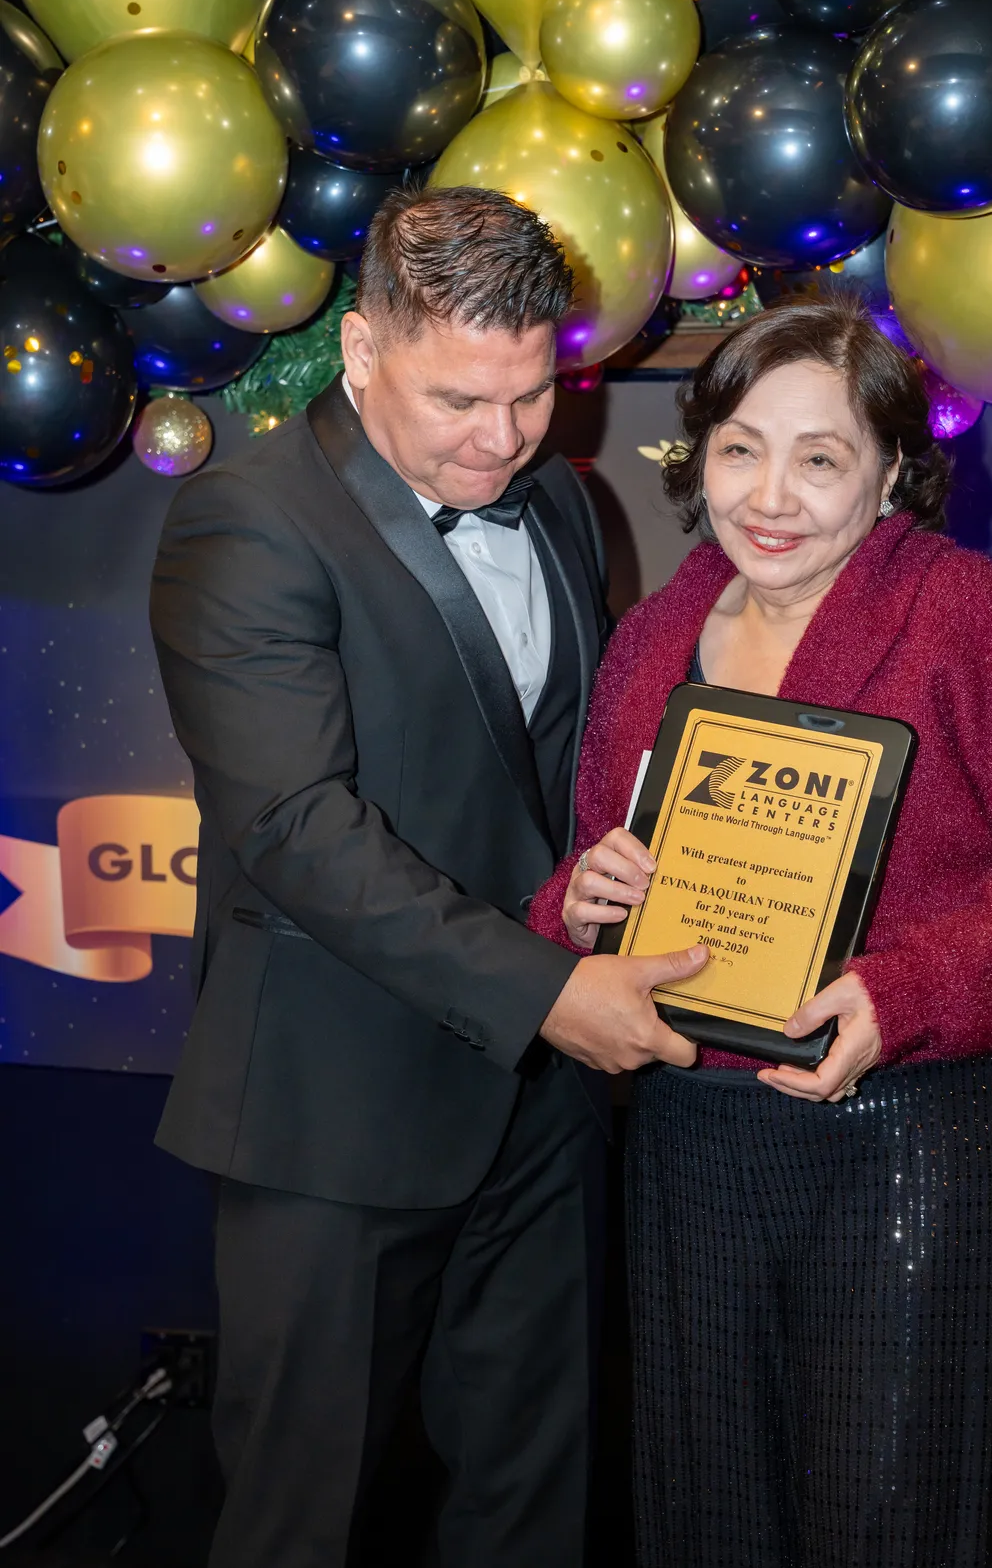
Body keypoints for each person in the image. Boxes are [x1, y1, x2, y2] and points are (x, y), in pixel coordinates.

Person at [149, 185, 707, 1568]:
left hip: (543, 1116)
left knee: (532, 1500)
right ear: (359, 350)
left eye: (531, 396)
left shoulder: (565, 502)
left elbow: (555, 776)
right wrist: (549, 989)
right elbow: (295, 828)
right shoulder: (248, 520)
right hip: (334, 1114)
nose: (504, 438)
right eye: (461, 399)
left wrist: (610, 870)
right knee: (301, 1524)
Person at [528, 296, 992, 1568]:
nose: (769, 495)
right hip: (697, 1148)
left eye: (820, 457)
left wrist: (908, 991)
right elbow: (580, 895)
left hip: (916, 1148)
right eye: (739, 447)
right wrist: (580, 907)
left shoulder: (973, 619)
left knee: (891, 1516)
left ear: (890, 473)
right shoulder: (652, 640)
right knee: (716, 1510)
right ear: (700, 455)